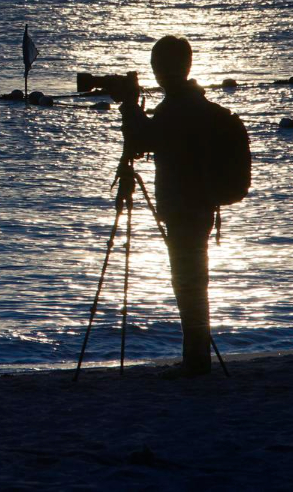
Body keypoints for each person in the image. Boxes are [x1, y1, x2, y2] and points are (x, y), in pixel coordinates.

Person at [118, 35, 235, 378]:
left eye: (158, 65)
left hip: (185, 207)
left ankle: (196, 362)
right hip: (198, 206)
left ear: (165, 68)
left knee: (188, 283)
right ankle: (195, 358)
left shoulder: (177, 109)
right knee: (193, 281)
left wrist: (129, 108)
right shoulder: (192, 104)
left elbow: (143, 142)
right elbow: (152, 140)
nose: (156, 72)